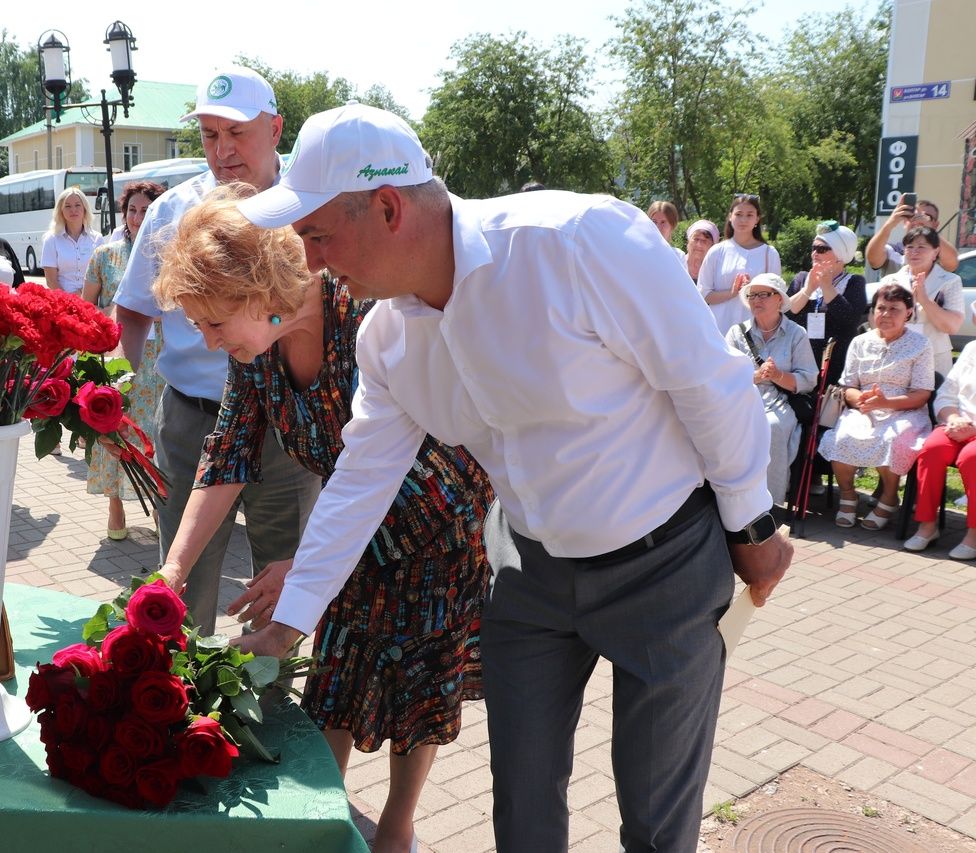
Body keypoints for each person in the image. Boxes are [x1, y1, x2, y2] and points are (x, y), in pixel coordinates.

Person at [231, 104, 791, 853]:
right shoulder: (387, 338)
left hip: (663, 564)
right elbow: (362, 477)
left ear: (390, 208)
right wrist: (288, 621)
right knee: (523, 813)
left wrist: (750, 526)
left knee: (656, 824)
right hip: (529, 572)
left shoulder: (577, 242)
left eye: (318, 233)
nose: (312, 259)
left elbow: (708, 384)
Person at [149, 186, 491, 853]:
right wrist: (171, 570)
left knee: (415, 697)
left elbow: (426, 470)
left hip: (436, 530)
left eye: (215, 323)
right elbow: (226, 455)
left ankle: (396, 830)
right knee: (332, 686)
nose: (211, 341)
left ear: (259, 290)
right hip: (343, 537)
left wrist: (305, 566)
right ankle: (323, 826)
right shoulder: (257, 350)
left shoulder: (365, 312)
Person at [110, 66, 322, 634]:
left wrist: (317, 563)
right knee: (184, 597)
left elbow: (377, 470)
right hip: (194, 424)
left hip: (293, 439)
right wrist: (111, 395)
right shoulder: (172, 213)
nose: (222, 149)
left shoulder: (315, 209)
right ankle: (186, 707)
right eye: (209, 134)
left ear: (276, 129)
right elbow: (133, 312)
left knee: (281, 589)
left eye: (237, 132)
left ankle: (268, 702)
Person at [82, 179, 166, 541]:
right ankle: (115, 505)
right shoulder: (106, 255)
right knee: (115, 426)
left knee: (155, 433)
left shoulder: (170, 255)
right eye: (132, 209)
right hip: (116, 355)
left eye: (146, 210)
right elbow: (87, 307)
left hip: (159, 359)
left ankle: (163, 511)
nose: (137, 217)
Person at [819, 284, 934, 531]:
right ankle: (848, 495)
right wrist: (860, 399)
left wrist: (886, 403)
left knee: (891, 439)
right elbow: (847, 386)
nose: (886, 314)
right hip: (864, 406)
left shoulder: (920, 344)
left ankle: (889, 498)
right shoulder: (859, 342)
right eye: (881, 308)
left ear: (909, 313)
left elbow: (922, 394)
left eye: (895, 309)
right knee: (841, 437)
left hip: (905, 410)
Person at [725, 274, 818, 506]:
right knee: (722, 426)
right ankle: (730, 499)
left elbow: (809, 379)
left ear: (779, 300)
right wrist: (754, 376)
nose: (756, 300)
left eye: (763, 294)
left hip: (780, 401)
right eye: (752, 295)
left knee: (771, 427)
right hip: (743, 398)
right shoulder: (736, 333)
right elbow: (725, 374)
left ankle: (771, 504)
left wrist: (777, 376)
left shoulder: (796, 333)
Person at [905, 342, 976, 558]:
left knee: (971, 457)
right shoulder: (972, 348)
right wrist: (954, 418)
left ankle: (973, 534)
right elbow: (947, 393)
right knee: (932, 450)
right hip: (956, 424)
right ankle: (927, 526)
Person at [875, 225, 964, 377]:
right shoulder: (889, 281)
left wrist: (924, 300)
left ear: (935, 252)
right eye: (910, 247)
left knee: (935, 399)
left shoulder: (950, 281)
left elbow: (952, 327)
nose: (914, 252)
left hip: (935, 357)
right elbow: (878, 322)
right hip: (896, 354)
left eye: (922, 247)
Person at [786, 223, 868, 384]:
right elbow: (785, 313)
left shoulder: (854, 282)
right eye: (813, 248)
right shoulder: (802, 278)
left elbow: (849, 320)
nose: (815, 253)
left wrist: (827, 287)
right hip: (800, 360)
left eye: (822, 249)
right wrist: (807, 290)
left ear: (840, 255)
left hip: (835, 361)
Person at [697, 194, 782, 334]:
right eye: (739, 214)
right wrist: (732, 293)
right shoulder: (717, 252)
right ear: (730, 217)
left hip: (757, 332)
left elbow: (776, 296)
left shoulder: (769, 254)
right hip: (719, 331)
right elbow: (703, 293)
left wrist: (754, 291)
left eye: (749, 215)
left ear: (757, 219)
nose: (743, 220)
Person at [866, 197, 959, 275]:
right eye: (913, 215)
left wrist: (929, 230)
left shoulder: (938, 252)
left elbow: (952, 264)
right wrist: (890, 223)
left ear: (935, 225)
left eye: (927, 217)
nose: (919, 220)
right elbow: (873, 260)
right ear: (905, 222)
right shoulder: (893, 251)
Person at [42, 186, 101, 297]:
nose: (73, 210)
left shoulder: (97, 239)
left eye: (77, 205)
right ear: (61, 211)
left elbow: (101, 276)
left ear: (85, 208)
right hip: (62, 302)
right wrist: (69, 301)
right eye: (67, 206)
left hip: (92, 301)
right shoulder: (51, 239)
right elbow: (51, 281)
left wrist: (82, 295)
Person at [647, 199, 685, 263]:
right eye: (654, 222)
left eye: (663, 222)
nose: (658, 227)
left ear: (672, 225)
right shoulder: (639, 253)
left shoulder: (679, 257)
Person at [684, 218, 718, 282]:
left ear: (712, 246)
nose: (699, 244)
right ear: (688, 241)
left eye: (705, 241)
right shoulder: (677, 263)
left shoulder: (716, 272)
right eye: (696, 239)